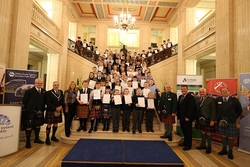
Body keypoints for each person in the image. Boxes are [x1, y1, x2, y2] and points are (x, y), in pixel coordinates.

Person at [216, 87, 242, 159]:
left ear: (229, 92)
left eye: (226, 90)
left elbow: (239, 110)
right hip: (221, 120)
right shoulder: (218, 100)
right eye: (222, 91)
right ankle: (224, 149)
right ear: (220, 93)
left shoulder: (234, 100)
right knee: (224, 135)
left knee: (230, 136)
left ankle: (230, 151)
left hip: (231, 121)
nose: (224, 92)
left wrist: (234, 118)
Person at [22, 78, 46, 148]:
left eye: (41, 83)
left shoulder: (43, 91)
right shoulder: (29, 91)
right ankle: (28, 141)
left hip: (40, 112)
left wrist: (43, 109)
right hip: (30, 112)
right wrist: (30, 109)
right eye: (38, 83)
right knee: (29, 127)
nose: (39, 85)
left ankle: (36, 139)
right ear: (35, 83)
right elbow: (24, 102)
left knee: (38, 125)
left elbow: (44, 101)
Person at [195, 88, 216, 154]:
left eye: (203, 92)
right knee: (203, 132)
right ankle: (203, 145)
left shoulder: (211, 99)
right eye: (200, 92)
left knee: (208, 133)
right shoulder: (198, 99)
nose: (201, 93)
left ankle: (209, 147)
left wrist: (212, 120)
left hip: (208, 119)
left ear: (206, 92)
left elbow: (214, 110)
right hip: (200, 118)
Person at [177, 85, 197, 150]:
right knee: (184, 131)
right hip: (181, 118)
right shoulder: (180, 97)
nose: (183, 90)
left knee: (188, 132)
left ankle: (188, 145)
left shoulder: (191, 97)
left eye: (184, 89)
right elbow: (179, 108)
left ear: (187, 89)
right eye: (182, 89)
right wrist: (178, 117)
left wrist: (188, 117)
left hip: (187, 118)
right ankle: (185, 142)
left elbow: (191, 108)